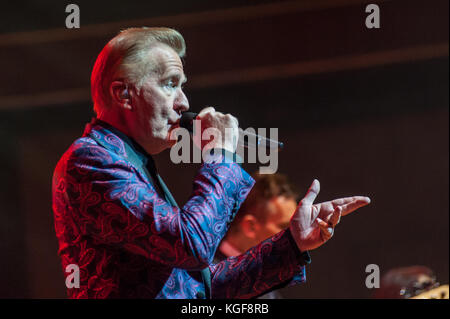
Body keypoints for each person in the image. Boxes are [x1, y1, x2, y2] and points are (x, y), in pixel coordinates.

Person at [52, 27, 371, 299]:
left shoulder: (131, 162)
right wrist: (220, 155)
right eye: (170, 83)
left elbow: (201, 289)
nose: (184, 102)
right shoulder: (91, 161)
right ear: (123, 94)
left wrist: (292, 242)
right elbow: (191, 245)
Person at [215, 172, 300, 298]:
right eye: (285, 227)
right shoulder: (197, 276)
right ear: (250, 226)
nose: (295, 234)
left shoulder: (270, 293)